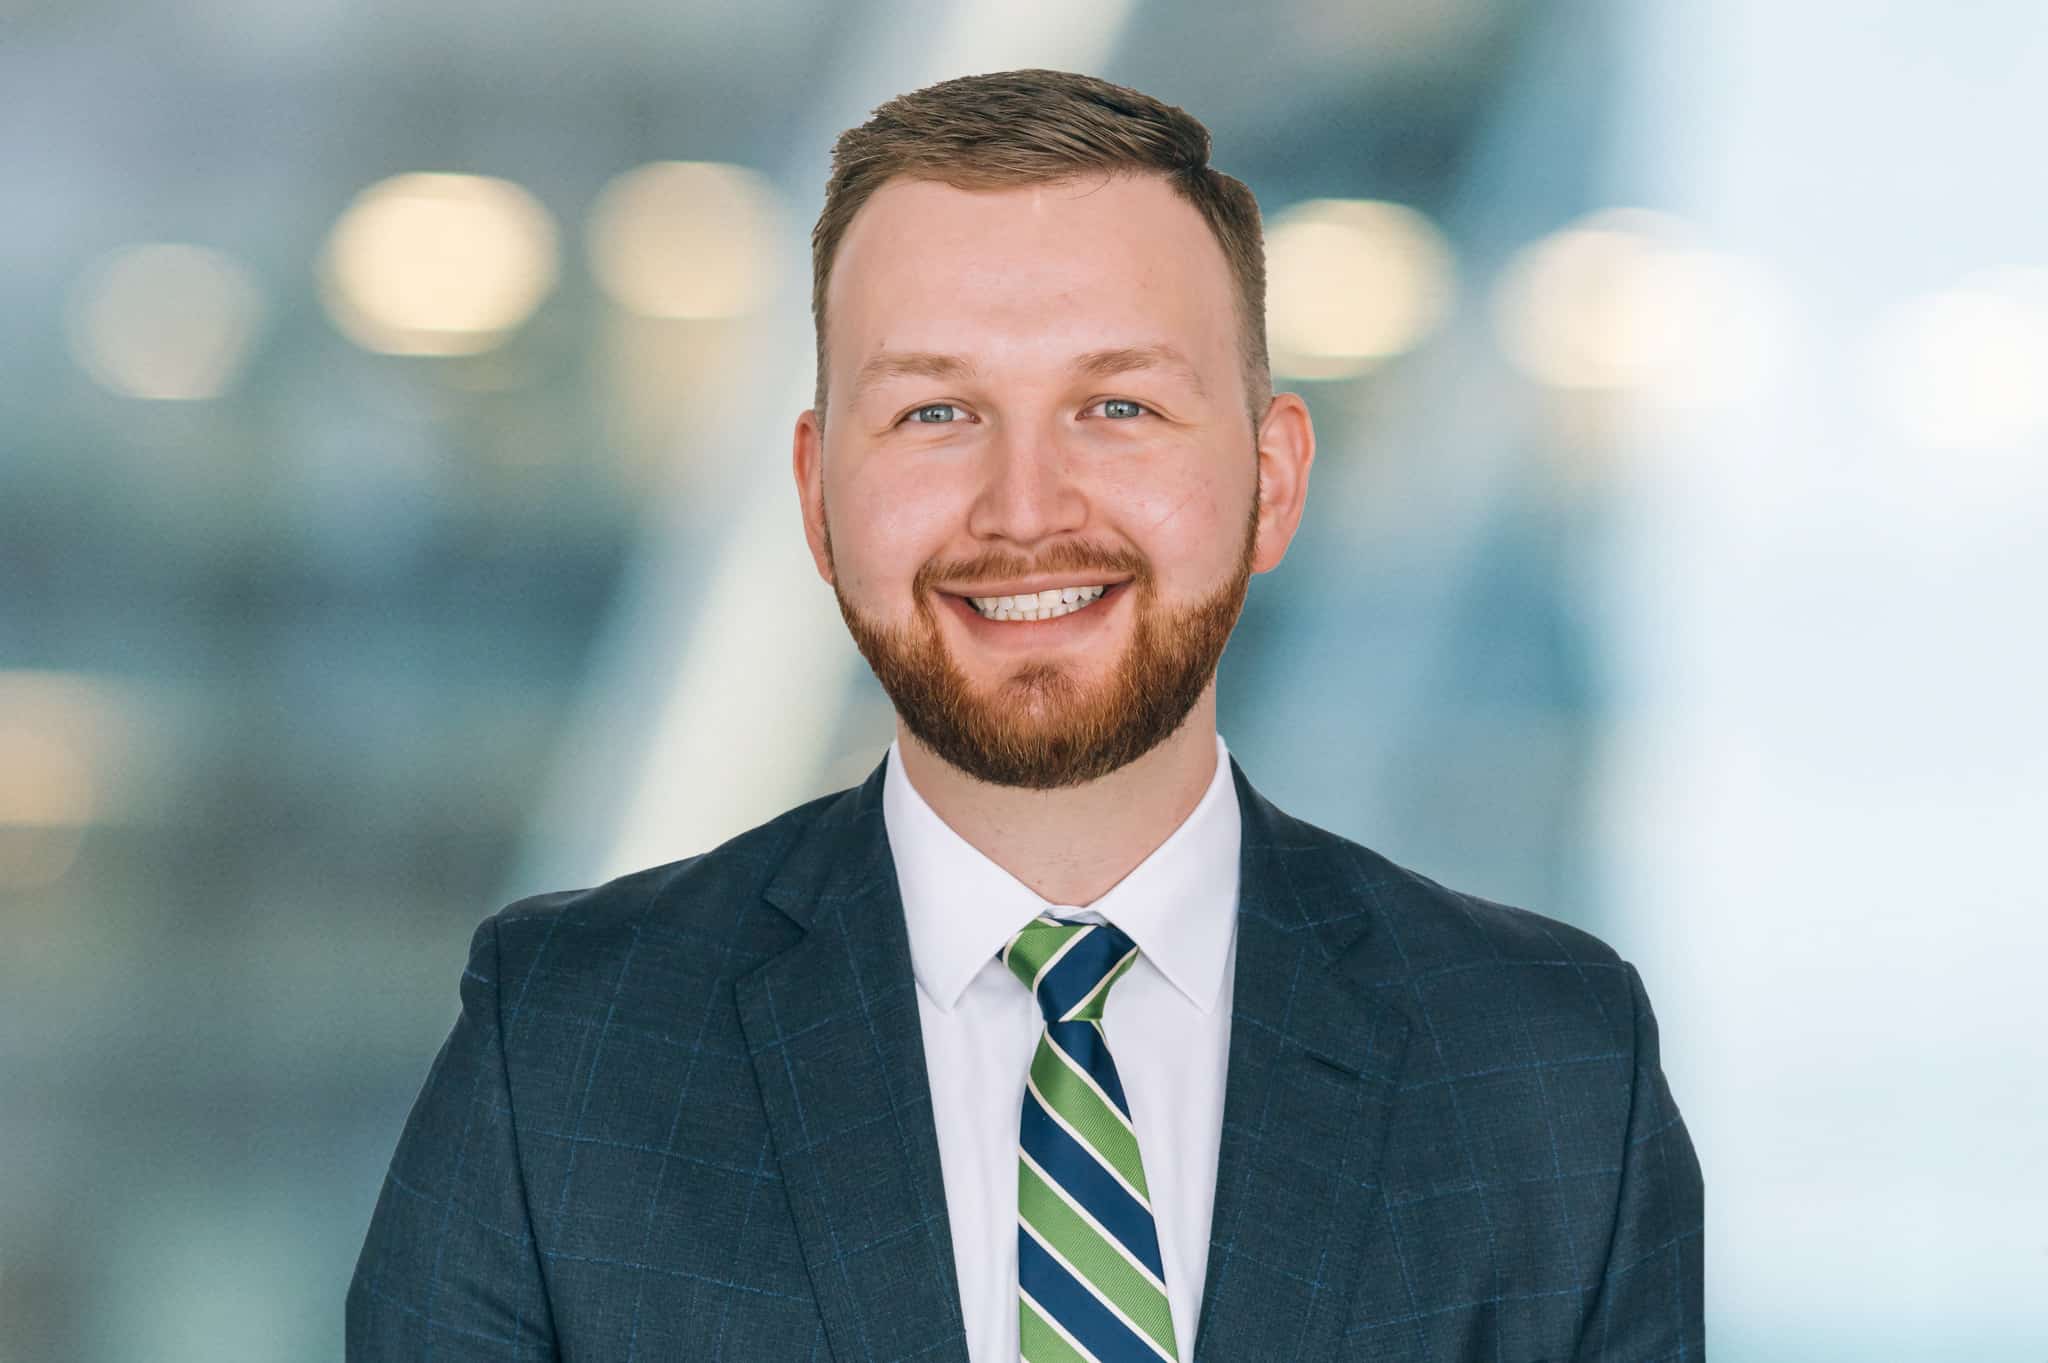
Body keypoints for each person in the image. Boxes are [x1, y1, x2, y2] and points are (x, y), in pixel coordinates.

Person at [347, 69, 1703, 1363]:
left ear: (1274, 478)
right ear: (819, 496)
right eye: (938, 412)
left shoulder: (1551, 1072)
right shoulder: (569, 1055)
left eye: (1118, 405)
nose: (1026, 509)